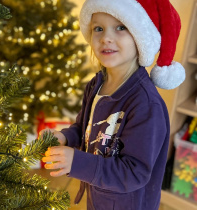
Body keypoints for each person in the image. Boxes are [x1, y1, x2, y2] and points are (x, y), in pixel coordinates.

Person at [40, 0, 186, 209]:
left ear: (141, 38)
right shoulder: (96, 85)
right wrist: (65, 137)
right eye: (98, 28)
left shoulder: (146, 104)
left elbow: (134, 172)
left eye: (121, 27)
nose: (106, 38)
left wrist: (77, 163)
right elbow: (84, 128)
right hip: (99, 195)